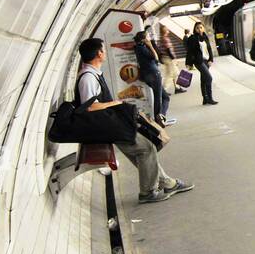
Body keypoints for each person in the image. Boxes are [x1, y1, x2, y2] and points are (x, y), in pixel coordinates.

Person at [75, 37, 194, 204]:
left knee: (142, 152)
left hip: (110, 123)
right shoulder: (88, 78)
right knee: (146, 148)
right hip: (107, 126)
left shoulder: (92, 74)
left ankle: (167, 183)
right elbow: (89, 107)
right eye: (103, 49)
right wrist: (115, 103)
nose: (105, 52)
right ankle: (148, 192)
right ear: (99, 53)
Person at [134, 30, 176, 126]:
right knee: (159, 97)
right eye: (148, 36)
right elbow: (155, 57)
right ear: (144, 39)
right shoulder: (143, 48)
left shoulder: (137, 48)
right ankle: (159, 118)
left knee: (165, 97)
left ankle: (161, 117)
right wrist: (150, 45)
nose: (150, 38)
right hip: (153, 74)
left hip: (147, 75)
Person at [184, 22, 218, 105]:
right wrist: (188, 63)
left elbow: (209, 48)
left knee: (204, 80)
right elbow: (190, 51)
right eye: (197, 28)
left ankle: (205, 99)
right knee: (209, 78)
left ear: (203, 28)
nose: (199, 29)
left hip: (206, 61)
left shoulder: (205, 37)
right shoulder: (193, 38)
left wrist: (211, 59)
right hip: (199, 61)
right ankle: (210, 98)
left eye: (201, 27)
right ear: (195, 29)